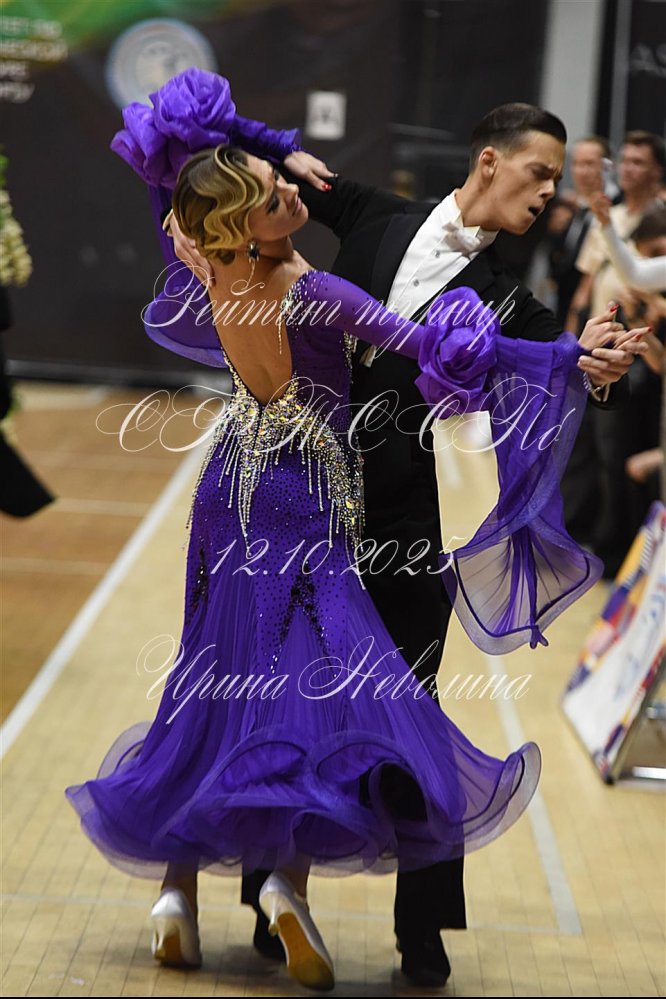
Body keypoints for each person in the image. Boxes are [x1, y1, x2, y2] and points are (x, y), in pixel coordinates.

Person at [151, 71, 642, 988]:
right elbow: (267, 180)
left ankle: (421, 927)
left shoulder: (508, 293)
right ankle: (269, 896)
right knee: (280, 698)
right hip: (309, 511)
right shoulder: (370, 214)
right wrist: (267, 141)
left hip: (403, 527)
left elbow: (551, 357)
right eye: (540, 172)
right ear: (490, 161)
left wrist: (597, 364)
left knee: (408, 712)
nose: (550, 192)